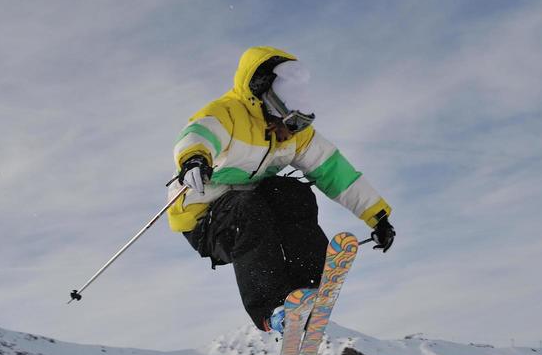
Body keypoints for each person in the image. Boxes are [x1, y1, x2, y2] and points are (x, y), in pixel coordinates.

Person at [168, 47, 395, 331]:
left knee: (292, 194)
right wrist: (195, 160)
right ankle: (271, 308)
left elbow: (335, 172)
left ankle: (307, 290)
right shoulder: (227, 115)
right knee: (247, 209)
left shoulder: (296, 137)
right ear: (267, 104)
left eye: (303, 123)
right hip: (206, 219)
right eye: (291, 122)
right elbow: (197, 134)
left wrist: (377, 215)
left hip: (252, 206)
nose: (294, 131)